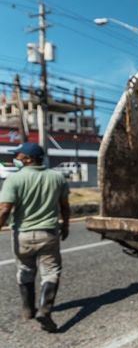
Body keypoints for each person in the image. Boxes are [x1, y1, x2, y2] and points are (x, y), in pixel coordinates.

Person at [0, 143, 70, 333]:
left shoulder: (13, 180)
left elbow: (4, 209)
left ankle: (28, 310)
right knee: (50, 272)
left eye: (19, 156)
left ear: (29, 159)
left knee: (25, 270)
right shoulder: (57, 177)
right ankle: (45, 310)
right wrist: (66, 225)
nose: (17, 159)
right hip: (48, 233)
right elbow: (64, 205)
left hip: (22, 235)